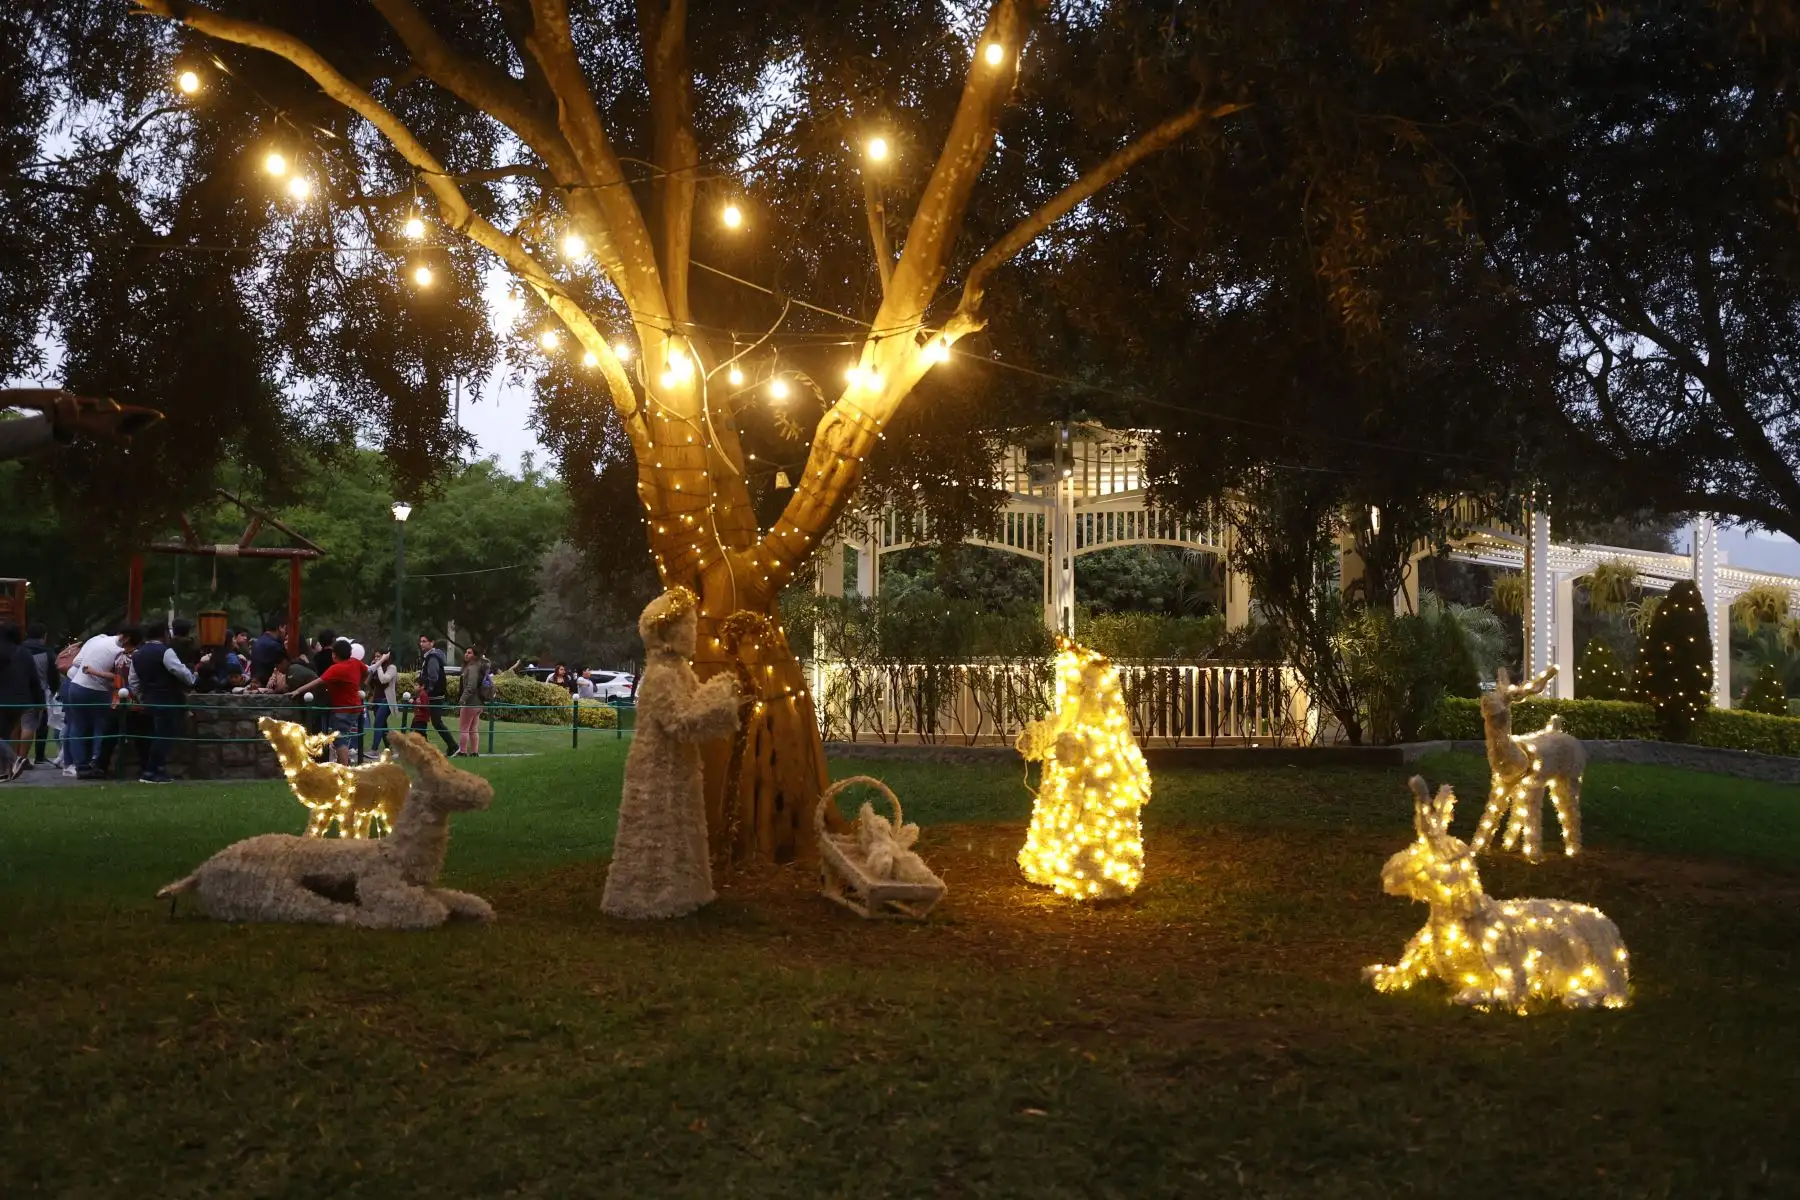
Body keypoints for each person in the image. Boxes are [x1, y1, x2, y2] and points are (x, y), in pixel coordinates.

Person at [130, 626, 206, 784]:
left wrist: (141, 696)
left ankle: (152, 770)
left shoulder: (137, 654)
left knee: (155, 735)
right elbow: (178, 670)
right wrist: (192, 680)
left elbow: (133, 681)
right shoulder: (165, 651)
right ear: (164, 635)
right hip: (167, 699)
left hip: (150, 699)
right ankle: (153, 771)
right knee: (164, 736)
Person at [64, 625, 142, 778]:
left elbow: (77, 661)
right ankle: (96, 763)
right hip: (96, 690)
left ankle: (80, 765)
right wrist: (96, 672)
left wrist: (90, 669)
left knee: (78, 727)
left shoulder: (99, 640)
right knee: (101, 726)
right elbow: (119, 676)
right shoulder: (119, 652)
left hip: (76, 685)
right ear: (127, 639)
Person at [317, 638, 366, 766]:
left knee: (340, 739)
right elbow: (366, 671)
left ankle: (344, 768)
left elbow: (318, 681)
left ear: (335, 654)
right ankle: (343, 763)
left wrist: (298, 690)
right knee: (344, 736)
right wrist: (358, 685)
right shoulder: (355, 663)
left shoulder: (336, 668)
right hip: (355, 706)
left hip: (342, 708)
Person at [0, 624, 39, 781]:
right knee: (3, 736)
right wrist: (39, 701)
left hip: (2, 700)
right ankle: (4, 770)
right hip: (21, 702)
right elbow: (34, 680)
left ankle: (15, 760)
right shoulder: (25, 653)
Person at [411, 633, 456, 753]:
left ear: (432, 643)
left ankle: (453, 746)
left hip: (434, 695)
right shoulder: (429, 657)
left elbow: (433, 677)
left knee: (433, 722)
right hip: (433, 694)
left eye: (424, 641)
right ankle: (423, 746)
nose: (421, 644)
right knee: (422, 720)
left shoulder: (432, 658)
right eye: (421, 641)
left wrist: (425, 691)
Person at [19, 624, 54, 766]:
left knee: (19, 724)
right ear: (44, 636)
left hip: (18, 690)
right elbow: (52, 674)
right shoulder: (47, 652)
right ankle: (36, 756)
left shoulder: (19, 649)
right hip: (40, 690)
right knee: (39, 725)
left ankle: (17, 756)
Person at [456, 645, 492, 757]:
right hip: (479, 703)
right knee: (473, 729)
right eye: (466, 652)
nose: (466, 654)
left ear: (475, 656)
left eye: (469, 653)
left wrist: (462, 699)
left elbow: (471, 686)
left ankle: (462, 751)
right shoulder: (479, 667)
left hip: (470, 703)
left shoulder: (472, 668)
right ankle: (474, 752)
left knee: (464, 728)